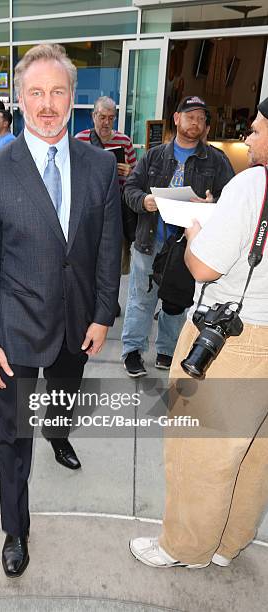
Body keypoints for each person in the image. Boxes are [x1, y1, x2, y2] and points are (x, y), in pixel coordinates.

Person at [0, 44, 121, 578]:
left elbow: (107, 247)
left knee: (61, 400)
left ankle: (59, 435)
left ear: (72, 98)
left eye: (57, 92)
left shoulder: (101, 166)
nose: (47, 104)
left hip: (78, 325)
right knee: (13, 437)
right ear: (20, 98)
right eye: (36, 92)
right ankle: (15, 528)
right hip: (15, 330)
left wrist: (103, 313)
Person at [130, 96, 268, 569]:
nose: (249, 138)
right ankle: (230, 543)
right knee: (253, 451)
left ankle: (185, 547)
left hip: (231, 338)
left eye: (257, 129)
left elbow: (204, 267)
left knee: (199, 449)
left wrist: (194, 236)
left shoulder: (253, 183)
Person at [122, 96, 235, 377]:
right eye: (190, 116)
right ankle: (133, 351)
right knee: (141, 298)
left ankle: (166, 351)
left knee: (178, 299)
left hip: (188, 245)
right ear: (176, 119)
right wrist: (144, 200)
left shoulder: (217, 161)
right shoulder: (154, 155)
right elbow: (130, 188)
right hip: (150, 240)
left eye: (201, 118)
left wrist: (213, 204)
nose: (195, 122)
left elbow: (233, 199)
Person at [75, 96, 137, 317]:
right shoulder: (80, 139)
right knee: (87, 256)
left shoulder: (125, 142)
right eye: (102, 117)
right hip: (87, 209)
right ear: (93, 116)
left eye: (111, 118)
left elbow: (136, 178)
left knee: (114, 258)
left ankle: (109, 300)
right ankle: (89, 299)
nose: (106, 122)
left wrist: (129, 173)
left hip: (116, 210)